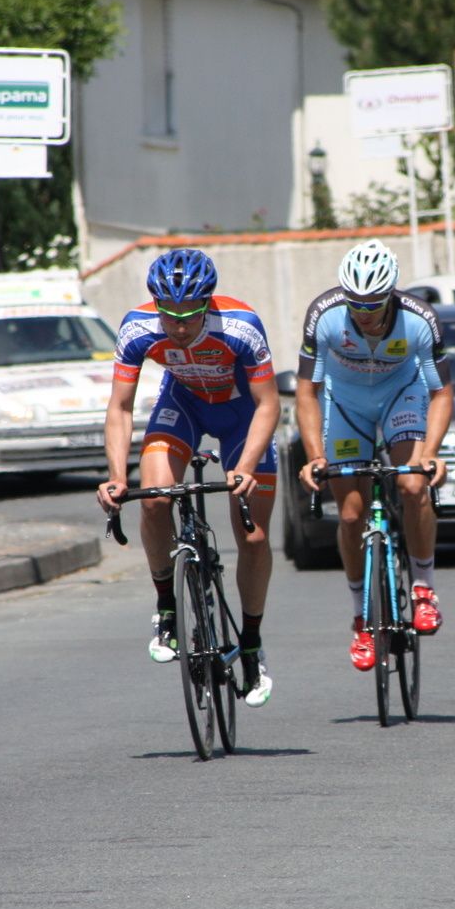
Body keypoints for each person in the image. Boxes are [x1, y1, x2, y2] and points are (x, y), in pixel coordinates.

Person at [96, 248, 281, 708]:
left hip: (242, 417)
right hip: (185, 406)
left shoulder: (241, 326)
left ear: (207, 303)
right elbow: (120, 408)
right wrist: (117, 477)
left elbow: (269, 405)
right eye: (170, 314)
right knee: (155, 498)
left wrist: (244, 466)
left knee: (254, 537)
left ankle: (252, 645)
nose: (178, 326)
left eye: (190, 314)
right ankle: (166, 607)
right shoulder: (137, 328)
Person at [295, 239, 454, 670]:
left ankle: (423, 588)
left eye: (374, 304)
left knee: (412, 484)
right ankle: (361, 618)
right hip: (345, 405)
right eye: (356, 304)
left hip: (401, 397)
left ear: (391, 295)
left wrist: (432, 454)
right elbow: (307, 392)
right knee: (349, 515)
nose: (364, 314)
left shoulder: (420, 319)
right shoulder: (323, 315)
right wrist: (314, 457)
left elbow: (441, 393)